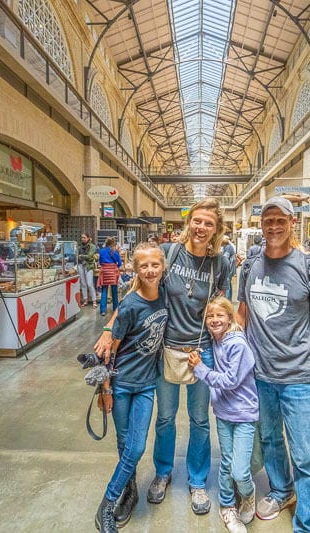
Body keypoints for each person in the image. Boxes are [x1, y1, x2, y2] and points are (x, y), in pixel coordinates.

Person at [96, 197, 229, 515]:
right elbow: (136, 290)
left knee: (199, 421)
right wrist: (108, 327)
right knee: (165, 419)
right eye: (197, 220)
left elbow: (221, 306)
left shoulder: (220, 264)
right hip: (165, 350)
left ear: (216, 229)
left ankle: (197, 481)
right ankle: (163, 472)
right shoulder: (170, 254)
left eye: (208, 223)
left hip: (201, 352)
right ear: (189, 222)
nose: (201, 227)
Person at [237, 196, 310, 533]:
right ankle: (281, 489)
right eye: (268, 220)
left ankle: (308, 525)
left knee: (305, 454)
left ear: (293, 223)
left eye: (281, 220)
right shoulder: (250, 266)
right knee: (269, 440)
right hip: (261, 376)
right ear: (262, 225)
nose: (274, 226)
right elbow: (243, 314)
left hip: (300, 380)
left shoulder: (309, 267)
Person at [94, 244, 168, 533]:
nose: (150, 270)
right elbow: (110, 349)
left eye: (155, 265)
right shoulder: (130, 305)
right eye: (144, 266)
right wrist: (106, 389)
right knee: (126, 446)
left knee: (136, 446)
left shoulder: (166, 299)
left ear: (163, 267)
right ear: (135, 270)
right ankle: (130, 491)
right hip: (122, 385)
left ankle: (107, 503)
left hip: (147, 385)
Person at [188, 296, 259, 533]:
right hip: (223, 413)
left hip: (244, 414)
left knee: (240, 469)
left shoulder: (237, 344)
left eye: (220, 315)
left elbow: (230, 380)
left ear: (230, 318)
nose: (215, 320)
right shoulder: (215, 340)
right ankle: (227, 506)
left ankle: (248, 494)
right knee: (227, 462)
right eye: (210, 316)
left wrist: (200, 369)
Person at [98, 237, 122, 316]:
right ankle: (115, 309)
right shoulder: (115, 251)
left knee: (104, 290)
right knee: (114, 291)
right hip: (113, 273)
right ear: (113, 244)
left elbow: (100, 262)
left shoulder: (102, 251)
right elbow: (119, 263)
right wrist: (116, 266)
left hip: (104, 272)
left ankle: (103, 310)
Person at [78, 233, 98, 308]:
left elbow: (90, 256)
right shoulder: (79, 247)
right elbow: (77, 256)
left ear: (88, 238)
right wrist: (84, 257)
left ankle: (94, 300)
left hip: (89, 266)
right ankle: (85, 300)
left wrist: (82, 256)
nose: (83, 239)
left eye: (84, 237)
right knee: (83, 283)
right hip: (80, 266)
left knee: (89, 283)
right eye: (82, 237)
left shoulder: (92, 246)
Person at [221, 235, 237, 300]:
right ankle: (229, 299)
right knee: (229, 284)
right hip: (231, 268)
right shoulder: (228, 246)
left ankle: (227, 299)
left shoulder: (227, 247)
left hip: (229, 269)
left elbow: (225, 259)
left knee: (226, 284)